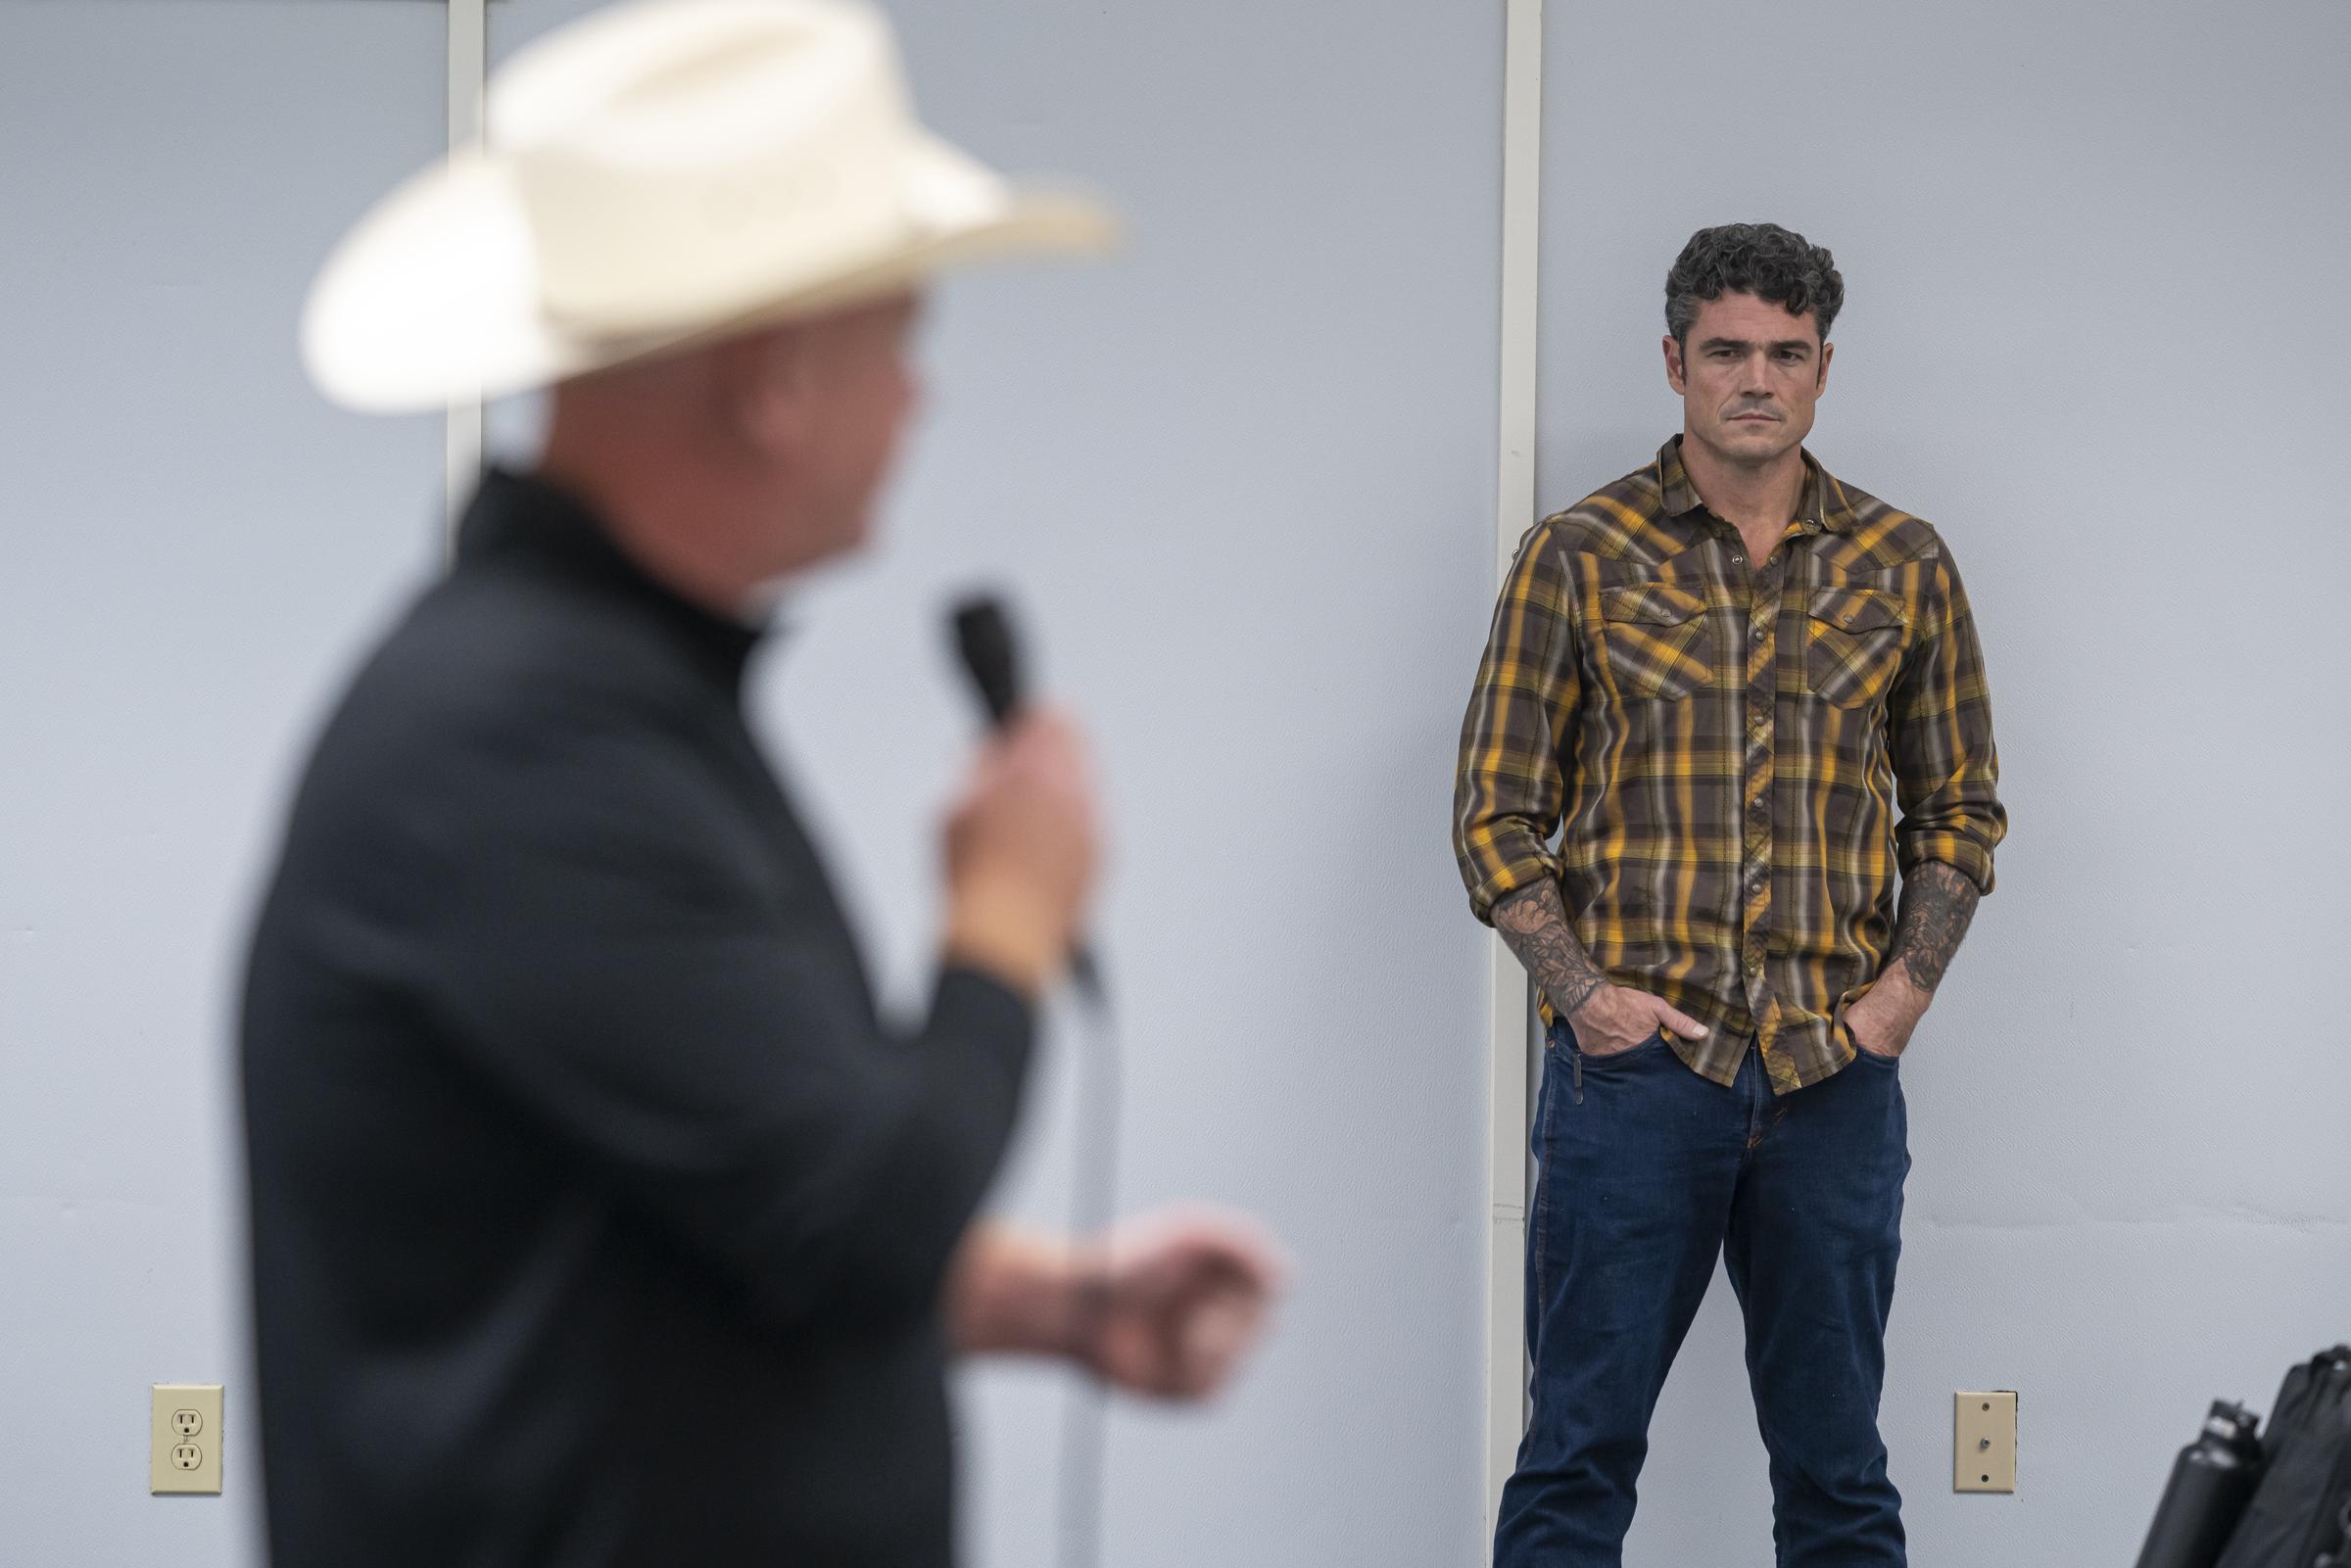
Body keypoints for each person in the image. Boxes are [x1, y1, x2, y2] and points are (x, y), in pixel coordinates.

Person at [240, 4, 1280, 1565]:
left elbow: (722, 1195)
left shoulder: (583, 702)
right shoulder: (524, 742)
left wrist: (1026, 1301)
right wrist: (1006, 911)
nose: (919, 399)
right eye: (902, 341)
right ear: (776, 378)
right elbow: (855, 1224)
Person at [1453, 222, 2007, 1566]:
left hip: (1833, 1079)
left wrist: (1895, 1003)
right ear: (1674, 362)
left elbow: (1959, 808)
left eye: (1784, 353)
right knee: (1577, 1461)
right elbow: (1496, 814)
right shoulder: (1578, 554)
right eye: (1725, 352)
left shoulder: (1904, 562)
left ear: (1823, 369)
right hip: (1638, 1085)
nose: (1754, 378)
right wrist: (1586, 1001)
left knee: (1839, 1474)